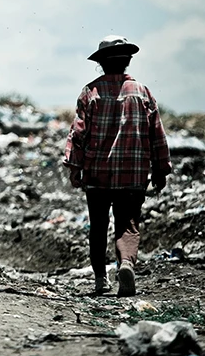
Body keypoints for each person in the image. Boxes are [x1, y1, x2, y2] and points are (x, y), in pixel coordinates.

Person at [64, 35, 171, 297]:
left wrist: (74, 167)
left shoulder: (90, 93)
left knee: (98, 225)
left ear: (101, 63)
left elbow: (78, 133)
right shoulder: (143, 93)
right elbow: (156, 134)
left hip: (97, 173)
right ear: (127, 61)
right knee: (128, 223)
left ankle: (101, 279)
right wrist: (160, 168)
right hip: (133, 173)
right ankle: (125, 264)